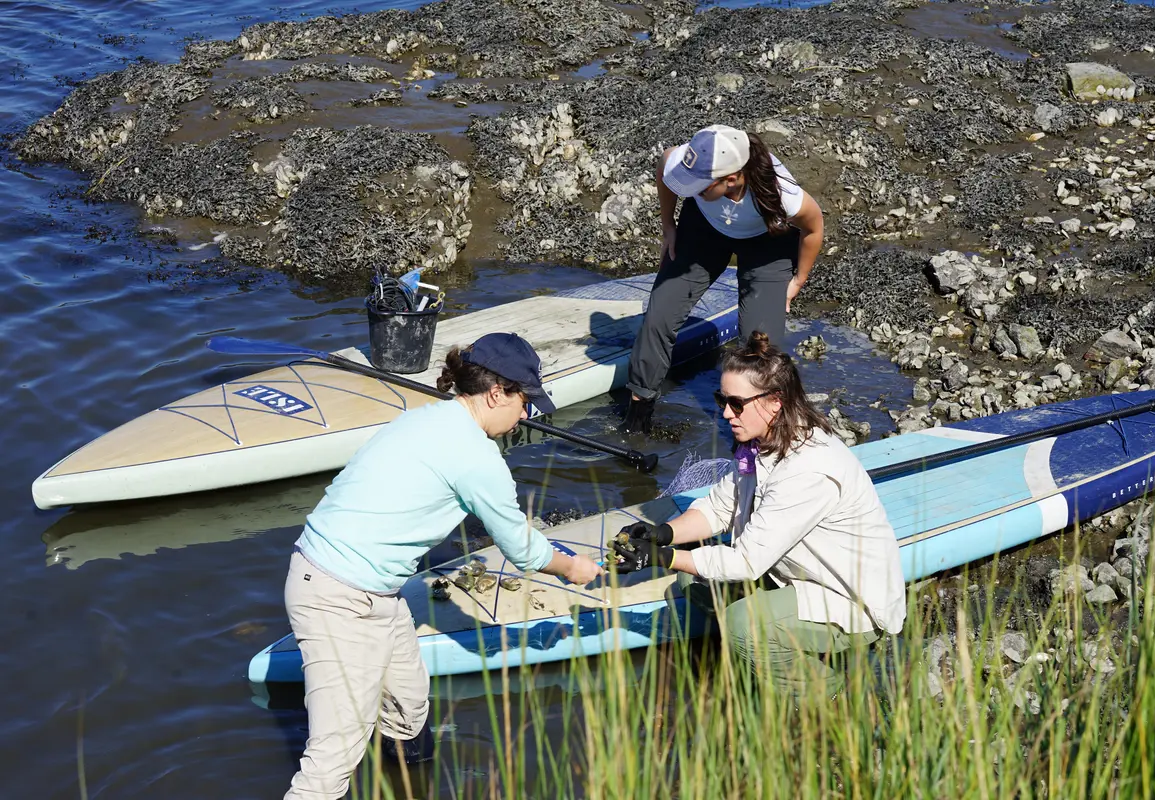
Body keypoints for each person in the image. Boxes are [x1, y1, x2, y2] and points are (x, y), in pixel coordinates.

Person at [283, 332, 603, 799]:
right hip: (340, 597)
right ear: (498, 393)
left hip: (366, 590)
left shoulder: (423, 419)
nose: (527, 416)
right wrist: (573, 568)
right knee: (333, 757)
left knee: (408, 706)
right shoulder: (477, 458)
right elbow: (522, 549)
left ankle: (407, 786)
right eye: (526, 403)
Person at [613, 332, 905, 699]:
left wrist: (664, 559)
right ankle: (765, 656)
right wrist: (662, 534)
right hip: (794, 576)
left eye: (736, 403)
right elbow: (721, 505)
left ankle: (829, 695)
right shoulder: (762, 443)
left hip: (850, 599)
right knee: (696, 585)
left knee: (742, 626)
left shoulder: (808, 471)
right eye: (722, 399)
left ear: (774, 403)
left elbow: (746, 562)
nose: (724, 413)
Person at [621, 123, 825, 433]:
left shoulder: (780, 192)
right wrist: (669, 228)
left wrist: (797, 281)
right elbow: (666, 167)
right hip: (704, 230)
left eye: (698, 186)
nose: (688, 190)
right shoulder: (688, 166)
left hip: (766, 242)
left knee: (761, 348)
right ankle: (637, 417)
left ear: (731, 179)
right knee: (659, 316)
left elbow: (814, 227)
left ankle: (761, 430)